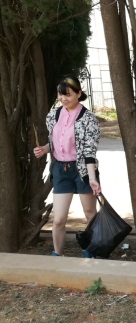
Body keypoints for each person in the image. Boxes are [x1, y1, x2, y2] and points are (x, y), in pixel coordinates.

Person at [33, 76, 101, 257]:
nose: (63, 99)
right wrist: (45, 149)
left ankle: (92, 251)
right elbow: (54, 142)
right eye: (60, 95)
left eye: (68, 95)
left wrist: (92, 178)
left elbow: (89, 151)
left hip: (83, 170)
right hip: (60, 170)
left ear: (79, 93)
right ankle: (58, 255)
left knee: (90, 213)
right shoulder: (53, 115)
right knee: (58, 219)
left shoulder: (89, 118)